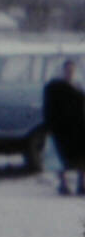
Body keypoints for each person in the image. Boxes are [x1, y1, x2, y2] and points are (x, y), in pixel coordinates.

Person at [42, 58, 84, 196]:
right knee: (58, 157)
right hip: (60, 127)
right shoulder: (54, 87)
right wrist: (50, 126)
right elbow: (49, 108)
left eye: (72, 70)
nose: (70, 72)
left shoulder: (78, 85)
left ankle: (81, 183)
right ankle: (63, 184)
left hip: (78, 126)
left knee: (81, 155)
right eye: (67, 70)